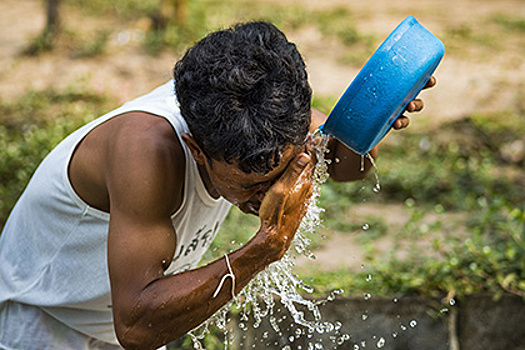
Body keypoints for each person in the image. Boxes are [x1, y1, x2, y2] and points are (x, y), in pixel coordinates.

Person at [0, 21, 434, 349]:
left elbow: (346, 167)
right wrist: (267, 245)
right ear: (197, 149)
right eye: (250, 186)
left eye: (276, 174)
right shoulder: (144, 151)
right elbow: (135, 324)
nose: (267, 196)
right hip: (41, 320)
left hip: (121, 322)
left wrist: (372, 125)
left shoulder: (273, 117)